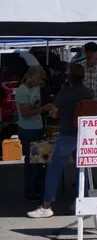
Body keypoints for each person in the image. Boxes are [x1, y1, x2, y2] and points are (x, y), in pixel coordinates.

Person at [27, 64, 95, 218]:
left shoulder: (65, 93)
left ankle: (47, 205)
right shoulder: (88, 92)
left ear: (69, 77)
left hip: (67, 134)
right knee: (81, 169)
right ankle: (80, 201)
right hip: (84, 134)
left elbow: (54, 114)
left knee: (54, 169)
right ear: (83, 76)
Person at [15, 65, 55, 201]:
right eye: (39, 79)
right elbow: (26, 113)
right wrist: (43, 108)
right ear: (31, 76)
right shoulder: (22, 91)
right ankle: (30, 192)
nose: (40, 83)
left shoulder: (37, 88)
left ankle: (39, 189)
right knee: (31, 162)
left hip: (38, 127)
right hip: (27, 130)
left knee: (41, 160)